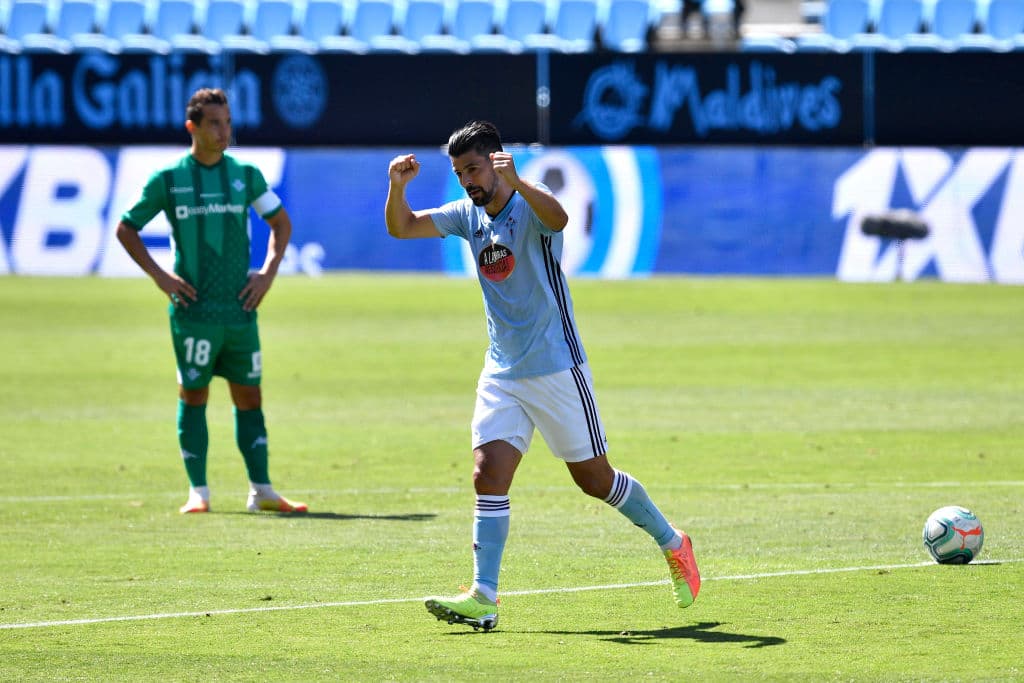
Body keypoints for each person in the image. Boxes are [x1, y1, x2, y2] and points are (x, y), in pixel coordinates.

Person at [384, 121, 699, 631]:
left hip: (557, 366)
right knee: (488, 474)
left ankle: (673, 543)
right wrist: (397, 187)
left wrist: (522, 181)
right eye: (459, 172)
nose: (467, 180)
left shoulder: (531, 202)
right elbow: (402, 227)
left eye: (474, 168)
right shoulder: (467, 214)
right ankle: (484, 596)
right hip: (503, 371)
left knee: (594, 480)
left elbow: (562, 217)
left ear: (497, 160)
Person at [116, 87, 307, 515]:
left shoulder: (245, 175)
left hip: (239, 310)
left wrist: (268, 273)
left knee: (250, 398)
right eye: (215, 124)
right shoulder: (168, 180)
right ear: (193, 128)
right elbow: (127, 228)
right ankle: (198, 492)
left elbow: (280, 223)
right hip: (194, 312)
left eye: (228, 123)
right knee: (193, 395)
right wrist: (161, 277)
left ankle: (261, 490)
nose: (224, 132)